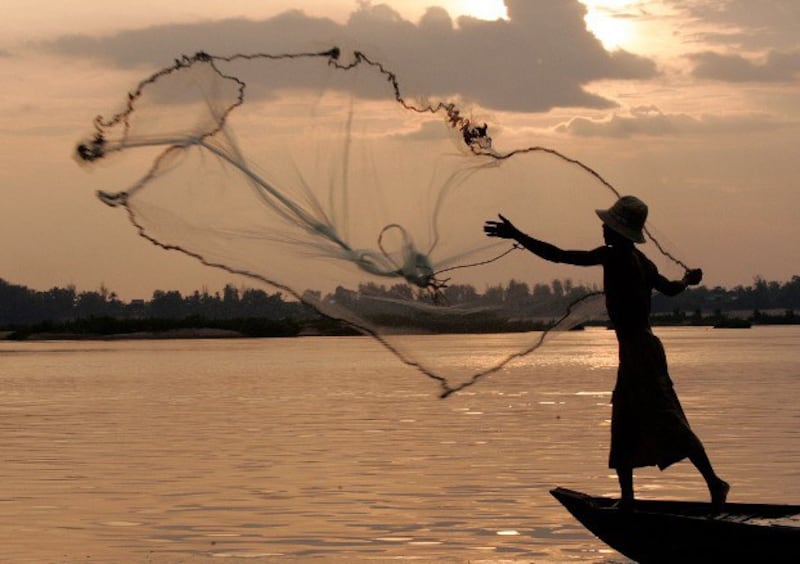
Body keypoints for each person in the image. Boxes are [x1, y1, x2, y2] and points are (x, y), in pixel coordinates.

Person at [483, 195, 729, 509]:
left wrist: (517, 235)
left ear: (619, 231)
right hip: (640, 348)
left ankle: (715, 483)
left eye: (608, 224)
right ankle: (628, 499)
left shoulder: (614, 256)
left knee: (668, 420)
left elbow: (559, 256)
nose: (603, 228)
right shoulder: (642, 261)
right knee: (624, 417)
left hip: (640, 350)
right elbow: (669, 288)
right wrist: (686, 280)